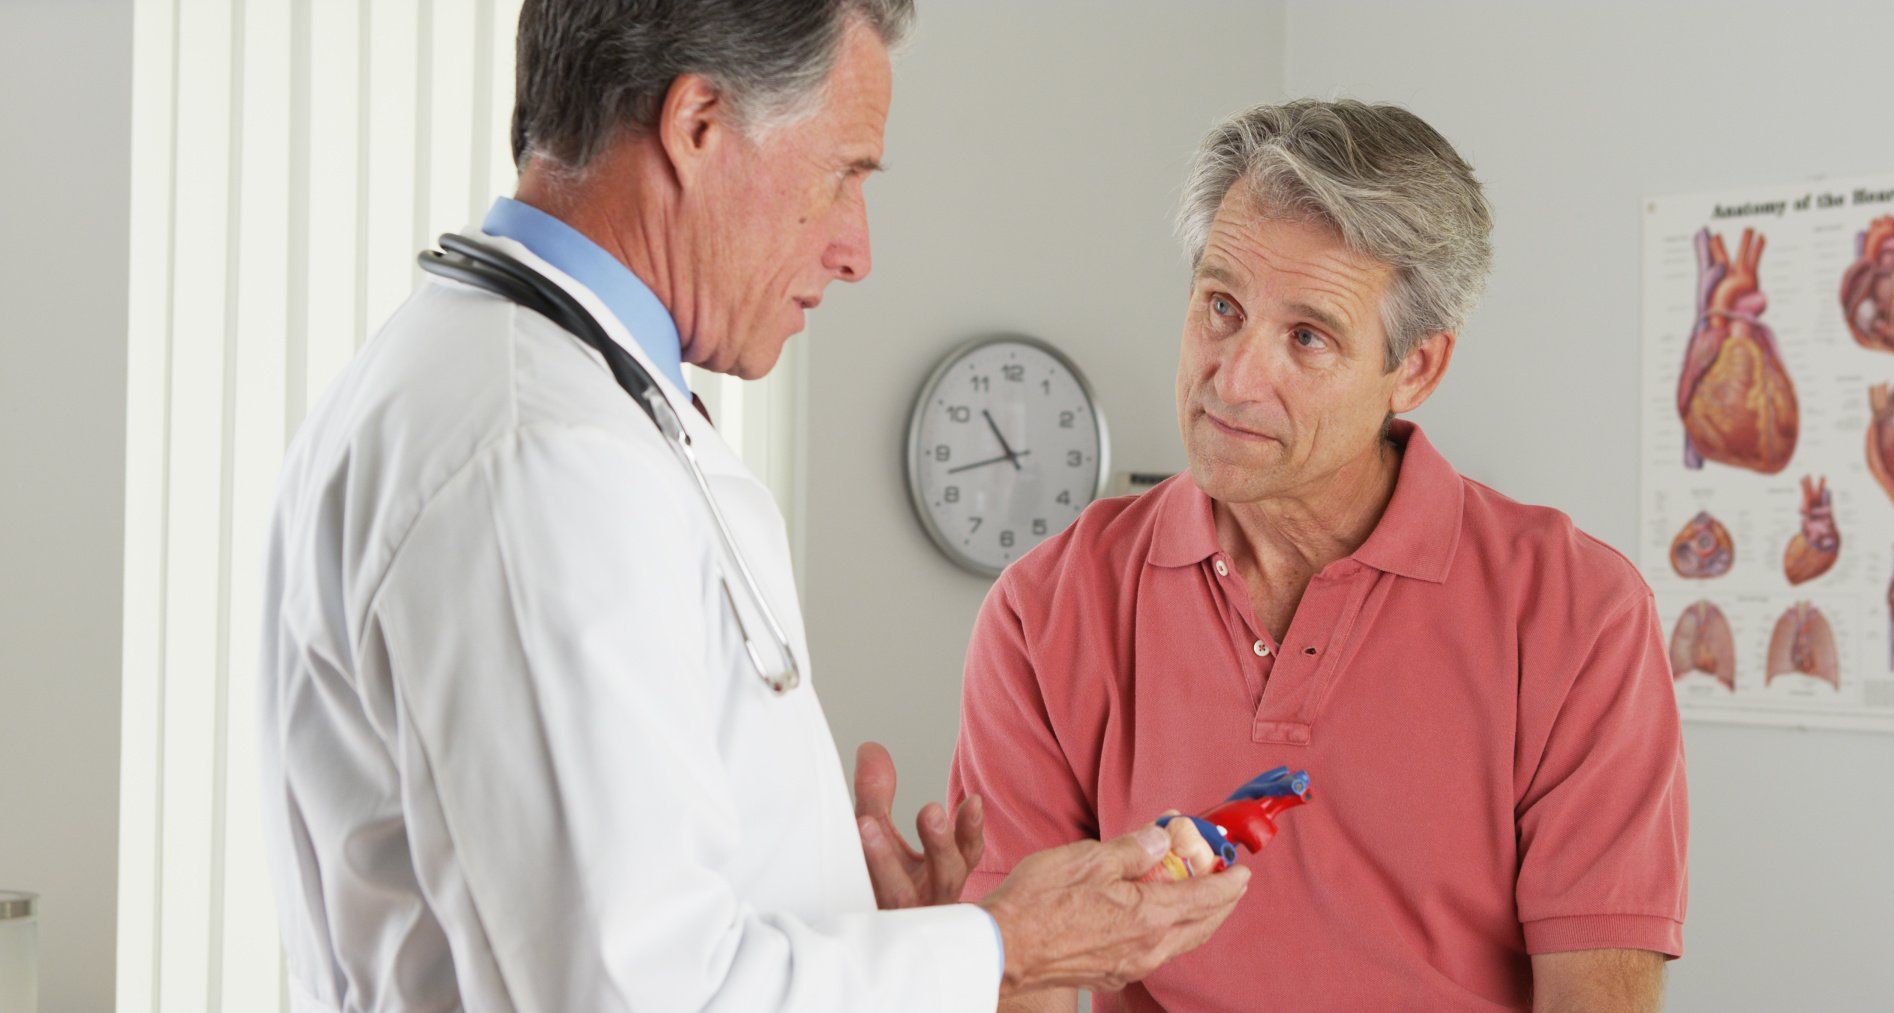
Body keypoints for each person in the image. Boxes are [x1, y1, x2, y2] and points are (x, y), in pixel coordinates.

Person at [257, 2, 1246, 1009]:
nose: (857, 248)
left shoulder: (554, 402)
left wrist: (879, 941)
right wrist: (999, 949)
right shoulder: (538, 459)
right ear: (698, 126)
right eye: (845, 174)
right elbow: (631, 991)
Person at [950, 99, 1689, 1012]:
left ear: (1414, 368)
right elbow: (1026, 982)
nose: (1234, 375)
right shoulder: (1046, 608)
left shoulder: (1579, 612)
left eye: (1307, 337)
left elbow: (1599, 997)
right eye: (1221, 307)